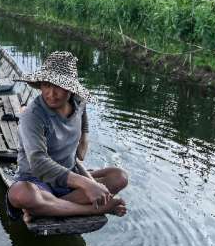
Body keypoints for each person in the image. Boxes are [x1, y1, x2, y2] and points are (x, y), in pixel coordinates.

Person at [7, 51, 128, 222]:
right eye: (46, 85)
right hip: (36, 181)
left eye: (58, 86)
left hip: (68, 177)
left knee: (119, 177)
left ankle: (46, 209)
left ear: (71, 88)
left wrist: (84, 137)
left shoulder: (78, 103)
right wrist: (87, 184)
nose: (51, 93)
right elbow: (39, 164)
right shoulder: (33, 115)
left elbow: (82, 133)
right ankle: (92, 210)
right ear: (40, 84)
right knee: (20, 194)